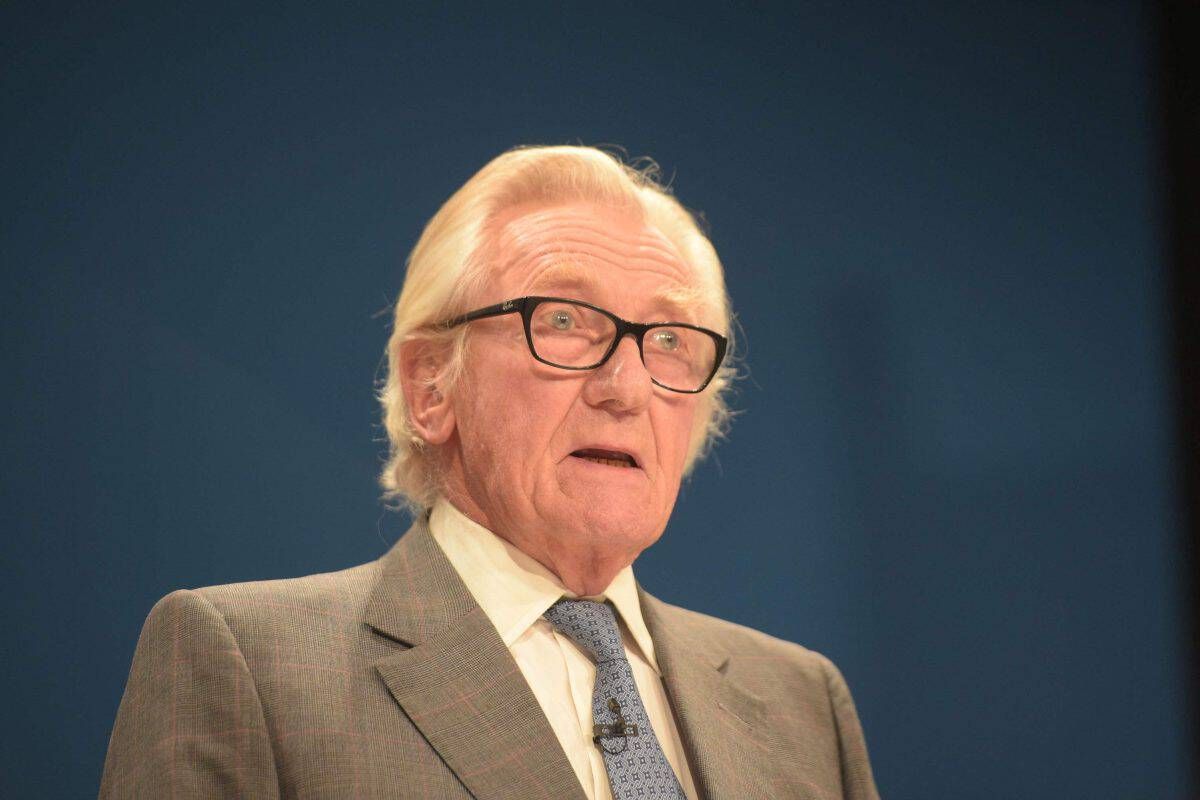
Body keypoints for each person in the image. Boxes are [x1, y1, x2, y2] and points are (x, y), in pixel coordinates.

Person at [100, 145, 880, 800]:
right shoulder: (249, 668)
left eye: (670, 339)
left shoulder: (803, 703)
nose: (627, 388)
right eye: (564, 321)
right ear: (431, 386)